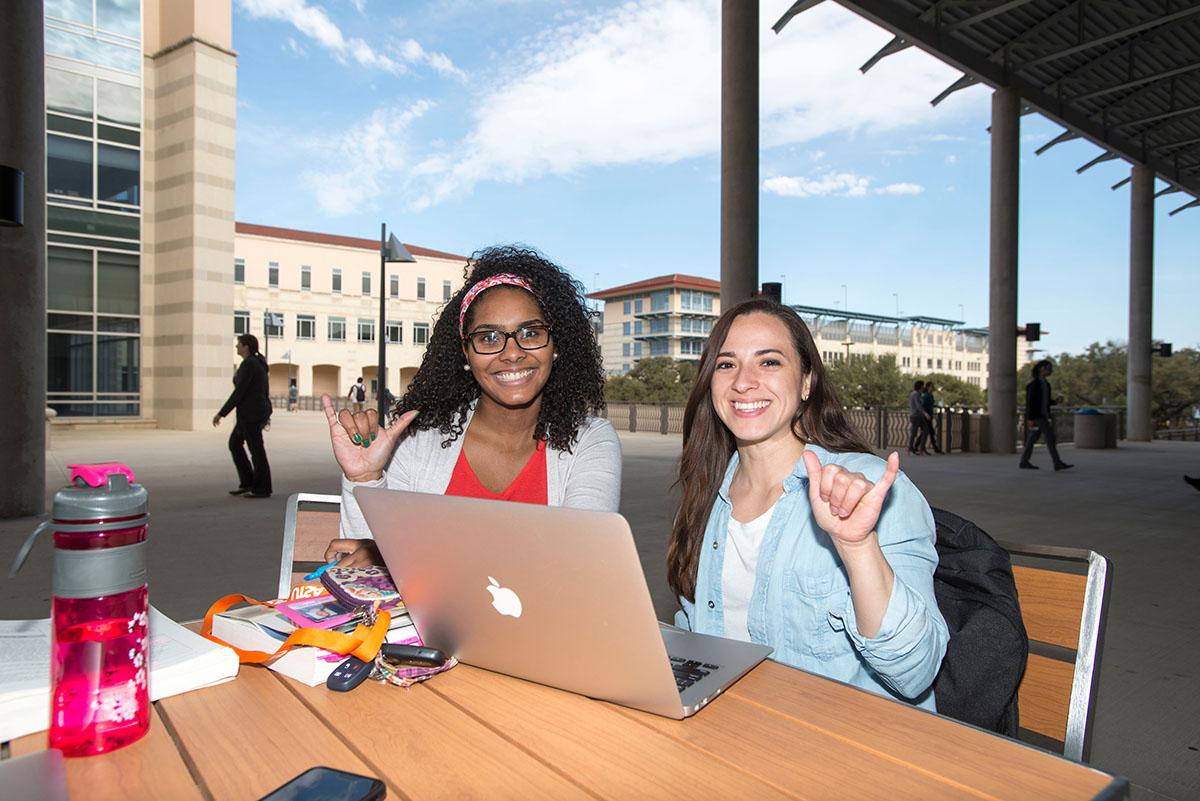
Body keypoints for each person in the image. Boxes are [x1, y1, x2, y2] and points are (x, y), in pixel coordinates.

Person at [667, 298, 948, 710]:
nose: (743, 382)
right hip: (737, 725)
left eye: (769, 362)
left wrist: (857, 546)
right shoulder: (708, 492)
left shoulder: (870, 489)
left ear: (806, 382)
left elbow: (915, 671)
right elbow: (698, 630)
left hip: (850, 744)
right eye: (726, 365)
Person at [323, 246, 622, 567]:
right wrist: (365, 478)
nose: (512, 352)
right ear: (465, 352)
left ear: (556, 345)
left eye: (531, 333)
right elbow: (362, 567)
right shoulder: (416, 442)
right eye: (489, 337)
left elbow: (581, 558)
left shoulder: (590, 441)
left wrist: (404, 551)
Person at [212, 334, 273, 498]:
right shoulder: (254, 363)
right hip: (251, 413)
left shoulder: (250, 364)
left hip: (251, 414)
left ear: (246, 346)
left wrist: (221, 413)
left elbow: (240, 392)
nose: (236, 347)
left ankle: (262, 488)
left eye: (238, 344)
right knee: (235, 444)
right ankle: (248, 482)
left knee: (256, 450)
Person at [1019, 359, 1073, 471]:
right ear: (1041, 369)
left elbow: (1046, 401)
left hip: (1043, 415)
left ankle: (1024, 461)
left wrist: (1056, 401)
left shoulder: (1046, 385)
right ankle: (1057, 463)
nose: (1051, 371)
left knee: (1032, 439)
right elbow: (1030, 403)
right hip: (1038, 416)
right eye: (1049, 368)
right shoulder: (1033, 385)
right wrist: (1030, 418)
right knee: (1050, 437)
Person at [908, 380, 928, 455]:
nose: (924, 387)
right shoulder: (915, 394)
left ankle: (920, 448)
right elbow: (918, 406)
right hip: (915, 416)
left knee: (925, 430)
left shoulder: (918, 394)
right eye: (923, 386)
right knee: (914, 432)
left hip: (919, 416)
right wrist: (925, 413)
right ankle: (911, 448)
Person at [921, 381, 942, 454]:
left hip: (929, 415)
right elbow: (923, 406)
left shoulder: (929, 395)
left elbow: (931, 404)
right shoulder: (926, 396)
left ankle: (916, 446)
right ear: (928, 387)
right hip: (927, 416)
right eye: (931, 386)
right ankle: (934, 448)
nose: (933, 388)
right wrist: (926, 414)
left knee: (927, 432)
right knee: (929, 432)